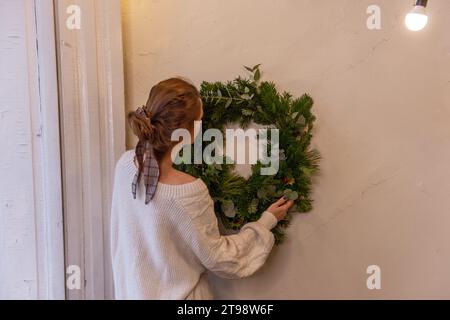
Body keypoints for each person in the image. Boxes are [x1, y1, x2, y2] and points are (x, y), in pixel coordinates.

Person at [110, 77, 294, 299]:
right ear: (190, 133)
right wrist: (266, 221)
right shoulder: (188, 192)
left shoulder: (125, 166)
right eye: (200, 121)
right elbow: (220, 258)